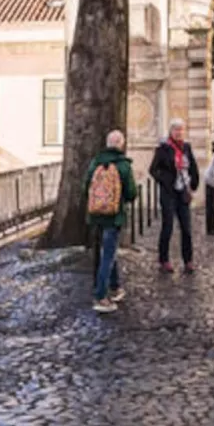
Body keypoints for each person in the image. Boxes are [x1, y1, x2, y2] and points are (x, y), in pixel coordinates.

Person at [85, 130, 138, 314]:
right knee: (108, 253)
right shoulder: (123, 165)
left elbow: (86, 185)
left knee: (109, 249)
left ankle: (115, 287)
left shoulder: (95, 162)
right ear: (121, 144)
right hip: (114, 215)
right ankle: (101, 295)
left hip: (96, 214)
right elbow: (131, 193)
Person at [149, 120, 201, 273]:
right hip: (169, 192)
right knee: (168, 226)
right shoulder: (163, 148)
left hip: (183, 191)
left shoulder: (186, 147)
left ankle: (188, 260)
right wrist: (164, 181)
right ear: (171, 131)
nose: (178, 132)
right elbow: (153, 169)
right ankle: (164, 259)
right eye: (176, 130)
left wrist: (193, 185)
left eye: (181, 130)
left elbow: (193, 167)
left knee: (186, 228)